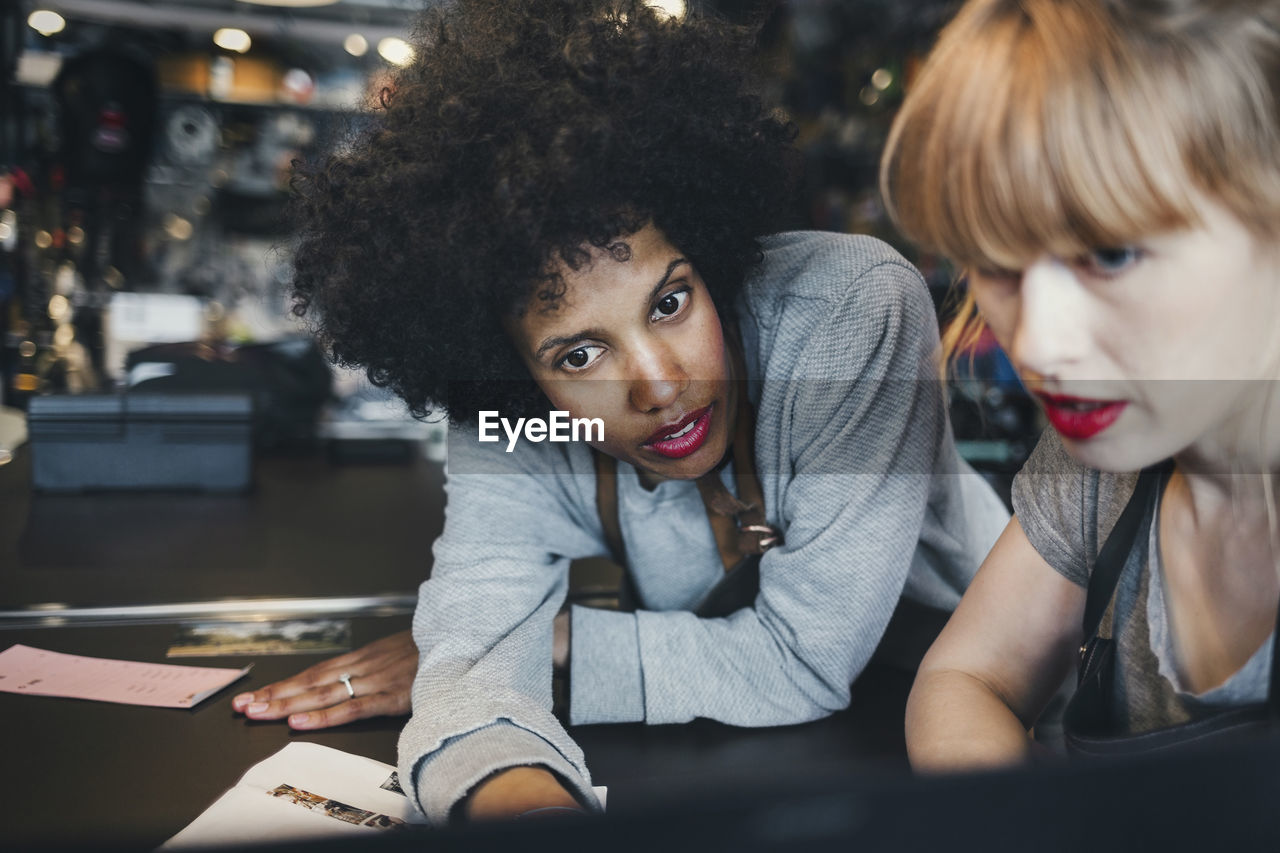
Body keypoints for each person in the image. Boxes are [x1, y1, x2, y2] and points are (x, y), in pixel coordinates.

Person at [232, 0, 1008, 821]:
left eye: (670, 301)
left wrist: (553, 637)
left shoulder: (850, 309)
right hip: (766, 749)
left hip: (992, 711)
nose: (659, 385)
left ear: (707, 248)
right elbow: (470, 682)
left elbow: (801, 662)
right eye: (578, 354)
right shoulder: (510, 421)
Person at [880, 0, 1280, 770]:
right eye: (995, 264)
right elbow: (965, 677)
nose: (1036, 342)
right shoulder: (1101, 470)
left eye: (1110, 253)